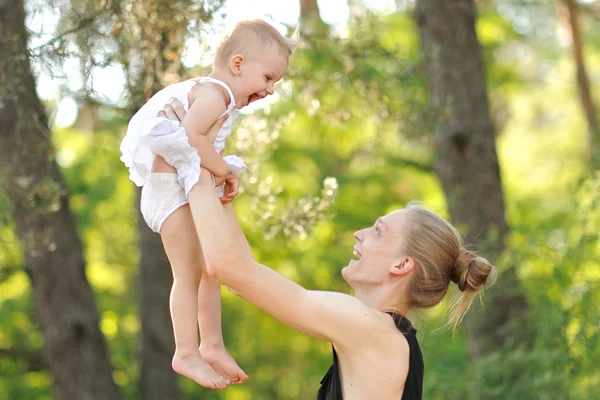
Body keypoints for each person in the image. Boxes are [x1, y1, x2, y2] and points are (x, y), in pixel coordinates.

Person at [159, 100, 498, 398]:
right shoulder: (382, 336)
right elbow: (238, 272)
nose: (359, 234)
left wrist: (191, 156)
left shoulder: (369, 328)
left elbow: (228, 268)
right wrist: (215, 180)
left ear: (402, 265)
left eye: (378, 231)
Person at [119, 20, 294, 388]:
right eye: (267, 78)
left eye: (275, 82)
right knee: (187, 273)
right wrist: (225, 169)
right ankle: (185, 352)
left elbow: (197, 146)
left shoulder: (220, 97)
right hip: (169, 189)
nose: (271, 90)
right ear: (238, 64)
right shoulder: (214, 94)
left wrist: (217, 169)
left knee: (210, 272)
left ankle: (212, 344)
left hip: (180, 186)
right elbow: (190, 139)